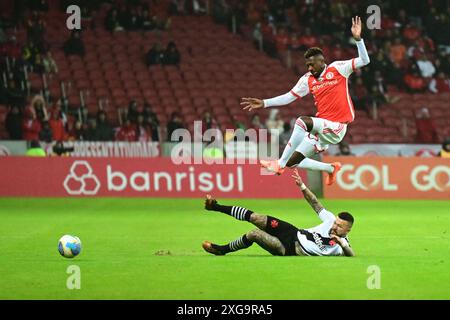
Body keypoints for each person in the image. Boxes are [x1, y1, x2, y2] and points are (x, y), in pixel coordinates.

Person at [241, 17, 370, 186]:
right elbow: (289, 96)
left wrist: (358, 39)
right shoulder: (307, 79)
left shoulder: (338, 68)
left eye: (312, 64)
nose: (309, 68)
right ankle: (331, 168)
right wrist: (264, 103)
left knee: (301, 121)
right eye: (307, 65)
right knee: (292, 162)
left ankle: (279, 164)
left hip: (337, 126)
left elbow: (365, 60)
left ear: (321, 61)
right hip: (321, 131)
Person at [202, 169, 355, 257]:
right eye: (336, 222)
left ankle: (222, 250)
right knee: (256, 218)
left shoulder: (342, 245)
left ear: (347, 230)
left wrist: (342, 243)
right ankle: (215, 207)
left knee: (254, 234)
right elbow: (315, 203)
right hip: (292, 232)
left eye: (339, 226)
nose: (334, 226)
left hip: (290, 250)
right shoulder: (329, 219)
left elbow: (351, 254)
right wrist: (302, 186)